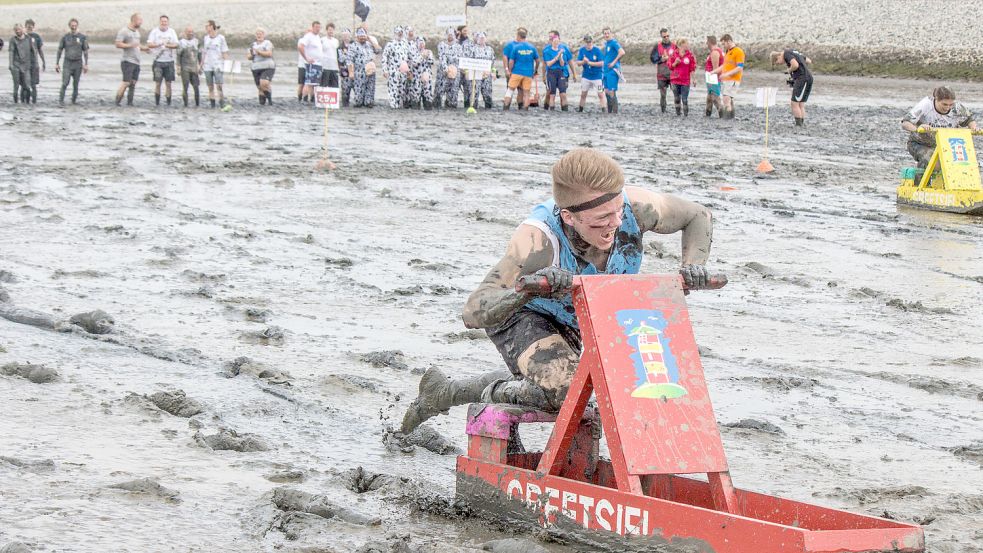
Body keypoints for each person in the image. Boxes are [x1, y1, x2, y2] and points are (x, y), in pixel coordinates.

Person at [399, 148, 714, 434]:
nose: (615, 224)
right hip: (523, 314)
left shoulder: (638, 208)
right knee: (567, 391)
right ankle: (475, 393)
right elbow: (473, 309)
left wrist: (693, 265)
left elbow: (697, 215)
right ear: (569, 217)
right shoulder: (536, 242)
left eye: (618, 212)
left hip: (582, 310)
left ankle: (444, 390)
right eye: (602, 219)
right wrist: (528, 290)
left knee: (637, 387)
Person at [901, 87, 977, 168]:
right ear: (936, 99)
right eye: (944, 104)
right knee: (934, 163)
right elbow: (905, 123)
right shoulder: (926, 105)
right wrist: (919, 128)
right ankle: (920, 176)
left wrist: (974, 128)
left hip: (945, 144)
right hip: (920, 143)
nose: (947, 107)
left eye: (950, 104)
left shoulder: (957, 108)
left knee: (960, 164)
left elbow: (969, 119)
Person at [772, 49, 813, 126]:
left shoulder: (786, 53)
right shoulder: (794, 53)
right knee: (800, 104)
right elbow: (808, 61)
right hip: (808, 78)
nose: (780, 64)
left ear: (778, 56)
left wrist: (789, 70)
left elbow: (795, 65)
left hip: (802, 79)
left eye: (777, 63)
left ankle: (798, 125)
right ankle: (801, 124)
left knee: (794, 103)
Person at [114, 13, 147, 106]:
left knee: (133, 83)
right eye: (140, 20)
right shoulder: (124, 31)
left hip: (136, 61)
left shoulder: (137, 32)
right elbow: (117, 44)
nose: (141, 22)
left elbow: (137, 45)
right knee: (126, 82)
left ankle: (130, 103)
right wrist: (129, 45)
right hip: (127, 61)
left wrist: (145, 48)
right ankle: (117, 102)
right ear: (134, 20)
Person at [55, 18, 89, 105]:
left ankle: (73, 101)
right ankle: (61, 101)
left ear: (77, 26)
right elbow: (59, 50)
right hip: (67, 63)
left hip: (78, 63)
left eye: (75, 25)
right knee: (65, 83)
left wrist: (86, 64)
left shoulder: (82, 37)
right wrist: (57, 63)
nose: (73, 27)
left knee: (76, 84)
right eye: (72, 26)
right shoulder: (65, 37)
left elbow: (85, 51)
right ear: (69, 26)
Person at [147, 15, 178, 106]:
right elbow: (149, 44)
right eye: (162, 21)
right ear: (159, 22)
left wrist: (168, 45)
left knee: (169, 83)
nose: (164, 23)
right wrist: (159, 44)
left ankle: (168, 102)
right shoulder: (154, 32)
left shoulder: (172, 32)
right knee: (158, 83)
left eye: (165, 21)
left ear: (168, 22)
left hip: (169, 61)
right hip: (158, 61)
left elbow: (176, 45)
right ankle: (157, 102)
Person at [504, 28, 538, 110]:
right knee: (526, 93)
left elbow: (511, 61)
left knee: (510, 90)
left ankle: (505, 108)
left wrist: (510, 70)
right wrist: (535, 70)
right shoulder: (532, 47)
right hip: (528, 73)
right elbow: (537, 60)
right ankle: (525, 109)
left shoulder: (516, 47)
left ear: (518, 36)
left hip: (517, 72)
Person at [348, 26, 380, 108]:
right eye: (360, 36)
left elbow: (378, 50)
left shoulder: (369, 45)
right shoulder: (353, 46)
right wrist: (351, 72)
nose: (362, 37)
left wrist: (371, 40)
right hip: (359, 72)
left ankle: (368, 103)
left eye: (364, 36)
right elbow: (349, 60)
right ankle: (359, 103)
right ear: (357, 36)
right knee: (359, 97)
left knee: (370, 90)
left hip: (370, 71)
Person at [713, 34, 744, 119]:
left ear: (729, 41)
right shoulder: (728, 51)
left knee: (726, 100)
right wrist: (714, 72)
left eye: (724, 44)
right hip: (726, 80)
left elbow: (739, 67)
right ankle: (731, 119)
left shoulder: (738, 51)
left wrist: (727, 74)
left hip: (733, 79)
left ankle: (727, 119)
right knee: (729, 100)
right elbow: (724, 66)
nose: (723, 46)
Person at [542, 31, 574, 111]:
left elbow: (569, 61)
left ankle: (564, 111)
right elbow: (545, 64)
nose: (550, 38)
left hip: (563, 73)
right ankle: (546, 108)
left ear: (558, 38)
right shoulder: (546, 49)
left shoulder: (564, 48)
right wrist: (543, 75)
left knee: (562, 93)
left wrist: (574, 73)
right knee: (550, 93)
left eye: (552, 36)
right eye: (550, 37)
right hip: (551, 73)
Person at [201, 20, 229, 108]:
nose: (206, 28)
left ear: (212, 26)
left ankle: (221, 102)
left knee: (219, 85)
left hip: (218, 65)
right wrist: (201, 64)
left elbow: (225, 51)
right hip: (208, 65)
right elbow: (204, 52)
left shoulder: (221, 38)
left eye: (207, 26)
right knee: (210, 86)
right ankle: (212, 104)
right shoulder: (206, 38)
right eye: (206, 26)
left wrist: (227, 62)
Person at [381, 26, 411, 109]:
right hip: (393, 70)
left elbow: (407, 58)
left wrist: (408, 70)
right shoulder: (390, 44)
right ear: (395, 33)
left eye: (401, 33)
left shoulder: (405, 44)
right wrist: (385, 70)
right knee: (393, 88)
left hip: (403, 71)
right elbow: (384, 57)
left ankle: (399, 104)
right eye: (398, 33)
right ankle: (393, 105)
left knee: (402, 89)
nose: (400, 34)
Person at [576, 35, 606, 113]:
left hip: (597, 76)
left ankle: (604, 110)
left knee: (600, 94)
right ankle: (580, 110)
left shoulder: (597, 50)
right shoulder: (582, 50)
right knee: (583, 94)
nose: (589, 43)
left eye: (590, 42)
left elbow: (602, 63)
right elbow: (578, 63)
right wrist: (583, 62)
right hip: (586, 76)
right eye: (587, 42)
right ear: (584, 42)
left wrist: (590, 63)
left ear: (592, 42)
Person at [9, 24, 38, 105]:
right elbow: (11, 52)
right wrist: (10, 64)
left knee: (27, 87)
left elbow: (34, 51)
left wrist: (36, 63)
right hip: (16, 65)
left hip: (26, 65)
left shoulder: (29, 39)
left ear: (22, 29)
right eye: (16, 30)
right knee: (16, 86)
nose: (18, 31)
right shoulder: (13, 40)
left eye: (19, 29)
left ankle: (27, 103)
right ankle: (15, 104)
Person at [435, 27, 462, 109]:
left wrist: (456, 69)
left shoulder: (458, 46)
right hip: (443, 71)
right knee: (440, 90)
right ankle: (437, 106)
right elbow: (442, 57)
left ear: (455, 35)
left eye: (452, 35)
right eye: (448, 34)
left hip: (454, 72)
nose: (450, 36)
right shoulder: (441, 45)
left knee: (453, 90)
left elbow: (460, 58)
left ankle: (451, 104)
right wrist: (446, 69)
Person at [668, 38, 695, 116]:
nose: (688, 45)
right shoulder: (674, 54)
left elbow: (692, 68)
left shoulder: (690, 55)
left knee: (684, 99)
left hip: (685, 81)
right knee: (677, 98)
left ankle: (686, 115)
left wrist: (694, 79)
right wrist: (675, 63)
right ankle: (678, 114)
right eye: (686, 44)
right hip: (675, 80)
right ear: (681, 45)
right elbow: (670, 66)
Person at [298, 21, 323, 106]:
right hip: (311, 64)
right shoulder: (308, 36)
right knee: (308, 82)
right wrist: (306, 58)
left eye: (319, 27)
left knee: (314, 83)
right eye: (316, 27)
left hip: (318, 64)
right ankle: (304, 99)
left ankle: (312, 99)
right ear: (312, 27)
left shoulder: (318, 37)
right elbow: (300, 46)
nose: (318, 29)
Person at [248, 28, 275, 105]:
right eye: (257, 34)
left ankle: (270, 102)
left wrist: (259, 52)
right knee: (260, 87)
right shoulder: (253, 44)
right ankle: (262, 104)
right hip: (256, 67)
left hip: (267, 66)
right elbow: (248, 57)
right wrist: (252, 54)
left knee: (264, 83)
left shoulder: (267, 43)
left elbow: (269, 54)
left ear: (264, 35)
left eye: (261, 33)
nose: (259, 35)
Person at [650, 28, 674, 113]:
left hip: (673, 74)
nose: (666, 38)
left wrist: (670, 58)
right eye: (664, 36)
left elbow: (679, 57)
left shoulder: (674, 46)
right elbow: (652, 59)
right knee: (663, 94)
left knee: (676, 93)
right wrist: (661, 59)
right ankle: (663, 110)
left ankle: (678, 110)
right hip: (662, 74)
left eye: (668, 36)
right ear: (661, 36)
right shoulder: (657, 46)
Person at [602, 27, 624, 114]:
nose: (607, 35)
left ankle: (615, 113)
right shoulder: (607, 44)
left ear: (611, 34)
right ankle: (609, 112)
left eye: (608, 33)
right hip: (606, 71)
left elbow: (622, 52)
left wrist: (613, 62)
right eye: (605, 33)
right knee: (606, 91)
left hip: (612, 70)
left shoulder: (614, 42)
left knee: (612, 91)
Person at [408, 36, 435, 109]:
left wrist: (426, 56)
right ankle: (416, 106)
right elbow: (414, 63)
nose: (422, 45)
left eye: (423, 43)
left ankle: (428, 106)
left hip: (426, 76)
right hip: (416, 77)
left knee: (428, 95)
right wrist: (422, 56)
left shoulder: (429, 51)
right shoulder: (413, 52)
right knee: (416, 95)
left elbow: (432, 61)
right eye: (420, 43)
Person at [177, 27, 201, 107]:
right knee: (185, 86)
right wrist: (178, 67)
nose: (190, 33)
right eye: (188, 32)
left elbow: (199, 55)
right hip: (185, 68)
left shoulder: (196, 42)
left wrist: (200, 66)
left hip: (194, 68)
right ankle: (186, 104)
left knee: (196, 87)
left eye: (191, 32)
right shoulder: (181, 42)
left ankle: (197, 104)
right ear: (185, 32)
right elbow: (178, 56)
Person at [501, 29, 524, 109]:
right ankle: (506, 107)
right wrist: (506, 69)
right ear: (517, 35)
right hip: (512, 71)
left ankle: (520, 107)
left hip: (522, 72)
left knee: (521, 90)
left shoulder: (526, 45)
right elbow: (505, 57)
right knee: (510, 89)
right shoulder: (510, 45)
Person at [472, 32, 495, 109]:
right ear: (477, 39)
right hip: (476, 75)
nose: (481, 40)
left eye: (483, 38)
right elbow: (468, 61)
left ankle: (488, 108)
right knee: (474, 94)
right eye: (480, 38)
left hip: (487, 75)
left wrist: (493, 72)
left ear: (485, 39)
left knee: (487, 94)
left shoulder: (490, 49)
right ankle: (473, 107)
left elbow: (493, 63)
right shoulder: (473, 49)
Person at [25, 19, 45, 104]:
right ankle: (24, 102)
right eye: (28, 26)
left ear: (33, 27)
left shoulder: (37, 37)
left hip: (34, 63)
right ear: (25, 27)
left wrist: (43, 61)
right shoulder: (22, 36)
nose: (29, 28)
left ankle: (34, 102)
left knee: (33, 85)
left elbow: (40, 50)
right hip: (24, 64)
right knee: (25, 85)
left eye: (31, 26)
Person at [703, 35, 724, 117]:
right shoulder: (717, 51)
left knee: (716, 98)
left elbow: (716, 69)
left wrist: (715, 80)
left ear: (710, 42)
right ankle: (708, 114)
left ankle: (722, 116)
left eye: (707, 42)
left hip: (713, 79)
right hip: (711, 78)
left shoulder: (715, 52)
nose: (706, 44)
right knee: (709, 98)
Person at [457, 25, 473, 109]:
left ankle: (467, 105)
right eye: (464, 30)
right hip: (457, 68)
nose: (466, 32)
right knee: (455, 87)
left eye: (467, 30)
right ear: (459, 31)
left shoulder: (470, 42)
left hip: (467, 67)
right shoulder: (456, 41)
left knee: (467, 88)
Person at [320, 23, 340, 89]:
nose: (331, 31)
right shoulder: (322, 40)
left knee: (334, 86)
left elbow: (338, 53)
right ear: (326, 30)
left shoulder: (336, 41)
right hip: (325, 66)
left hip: (334, 66)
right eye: (329, 30)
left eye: (332, 30)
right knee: (324, 85)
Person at [338, 28, 353, 106]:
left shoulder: (354, 44)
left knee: (355, 86)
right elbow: (338, 60)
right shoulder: (339, 47)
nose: (345, 37)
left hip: (354, 69)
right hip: (344, 69)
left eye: (347, 35)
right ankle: (345, 102)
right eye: (344, 35)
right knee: (345, 88)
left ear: (350, 36)